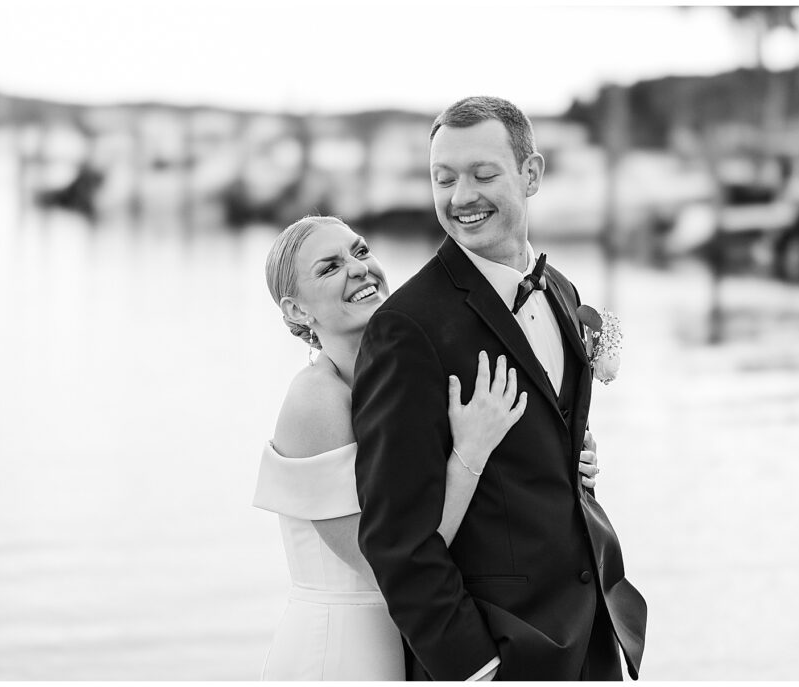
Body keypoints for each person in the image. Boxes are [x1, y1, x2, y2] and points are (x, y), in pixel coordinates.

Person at [353, 96, 647, 681]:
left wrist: (575, 461)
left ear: (530, 174)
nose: (461, 197)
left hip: (592, 635)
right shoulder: (406, 328)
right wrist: (475, 667)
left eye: (483, 174)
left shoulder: (561, 290)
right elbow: (395, 539)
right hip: (501, 650)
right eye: (444, 179)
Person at [253, 215, 602, 680]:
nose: (358, 268)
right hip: (347, 647)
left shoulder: (409, 378)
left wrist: (567, 460)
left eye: (360, 251)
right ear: (297, 311)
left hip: (419, 638)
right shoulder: (315, 400)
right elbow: (389, 561)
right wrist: (470, 453)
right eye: (329, 267)